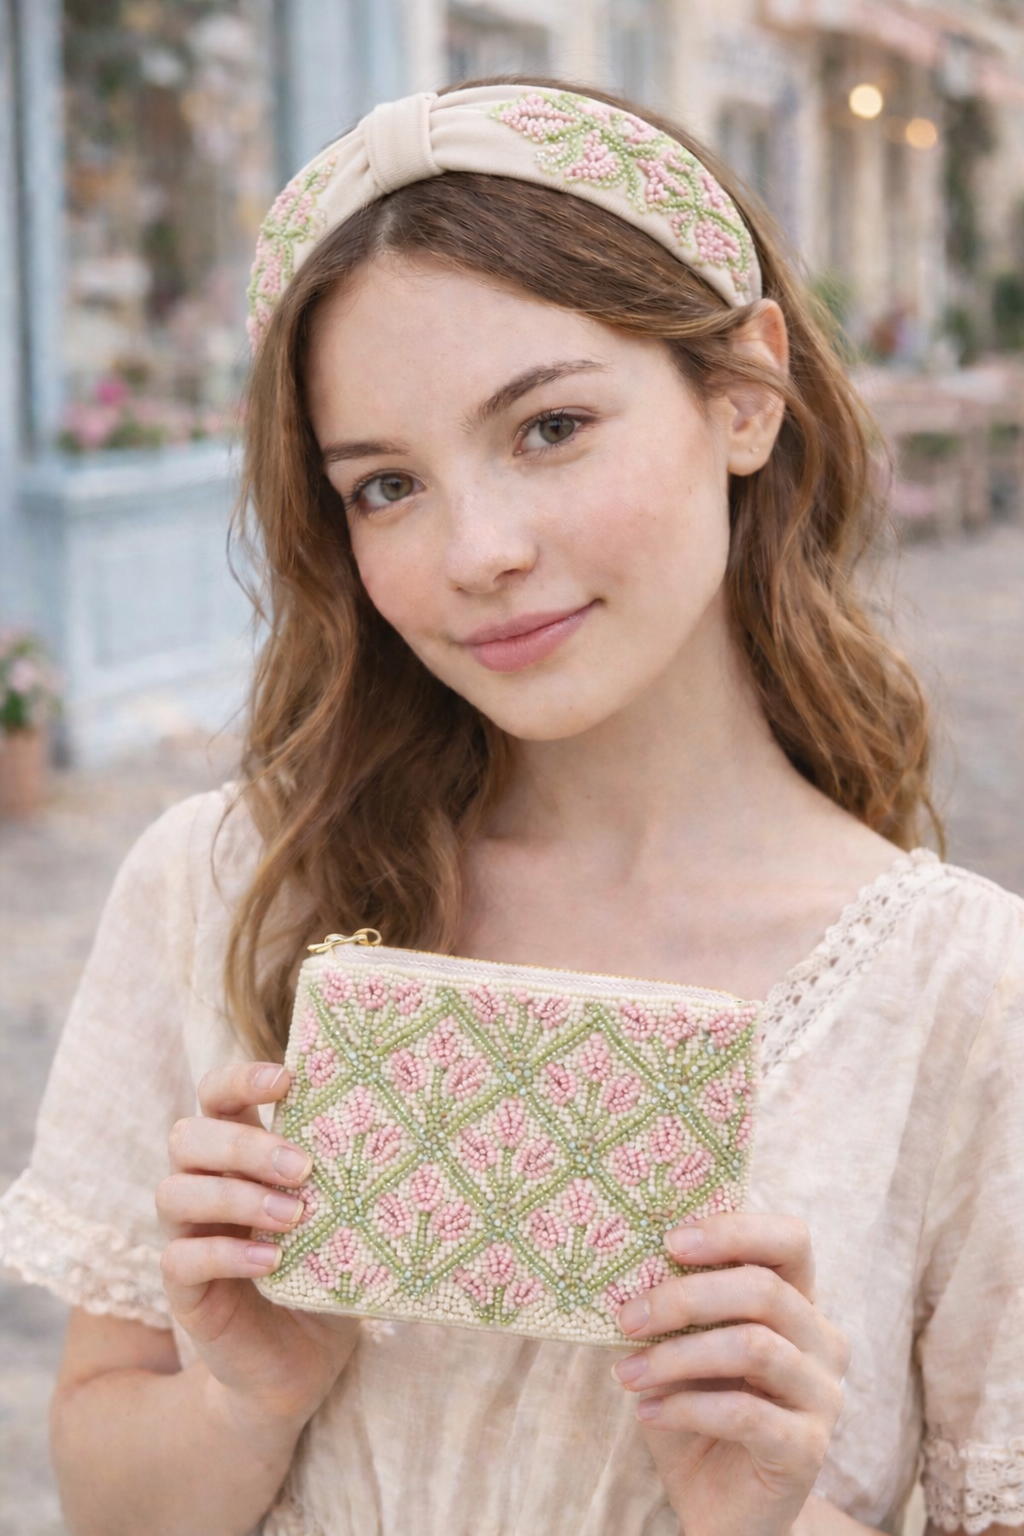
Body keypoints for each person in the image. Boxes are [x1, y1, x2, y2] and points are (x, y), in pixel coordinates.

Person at [0, 74, 1020, 1536]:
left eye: (547, 428)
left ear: (744, 392)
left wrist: (773, 1516)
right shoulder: (228, 887)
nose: (475, 551)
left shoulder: (967, 999)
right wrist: (247, 1399)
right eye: (387, 486)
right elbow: (107, 1496)